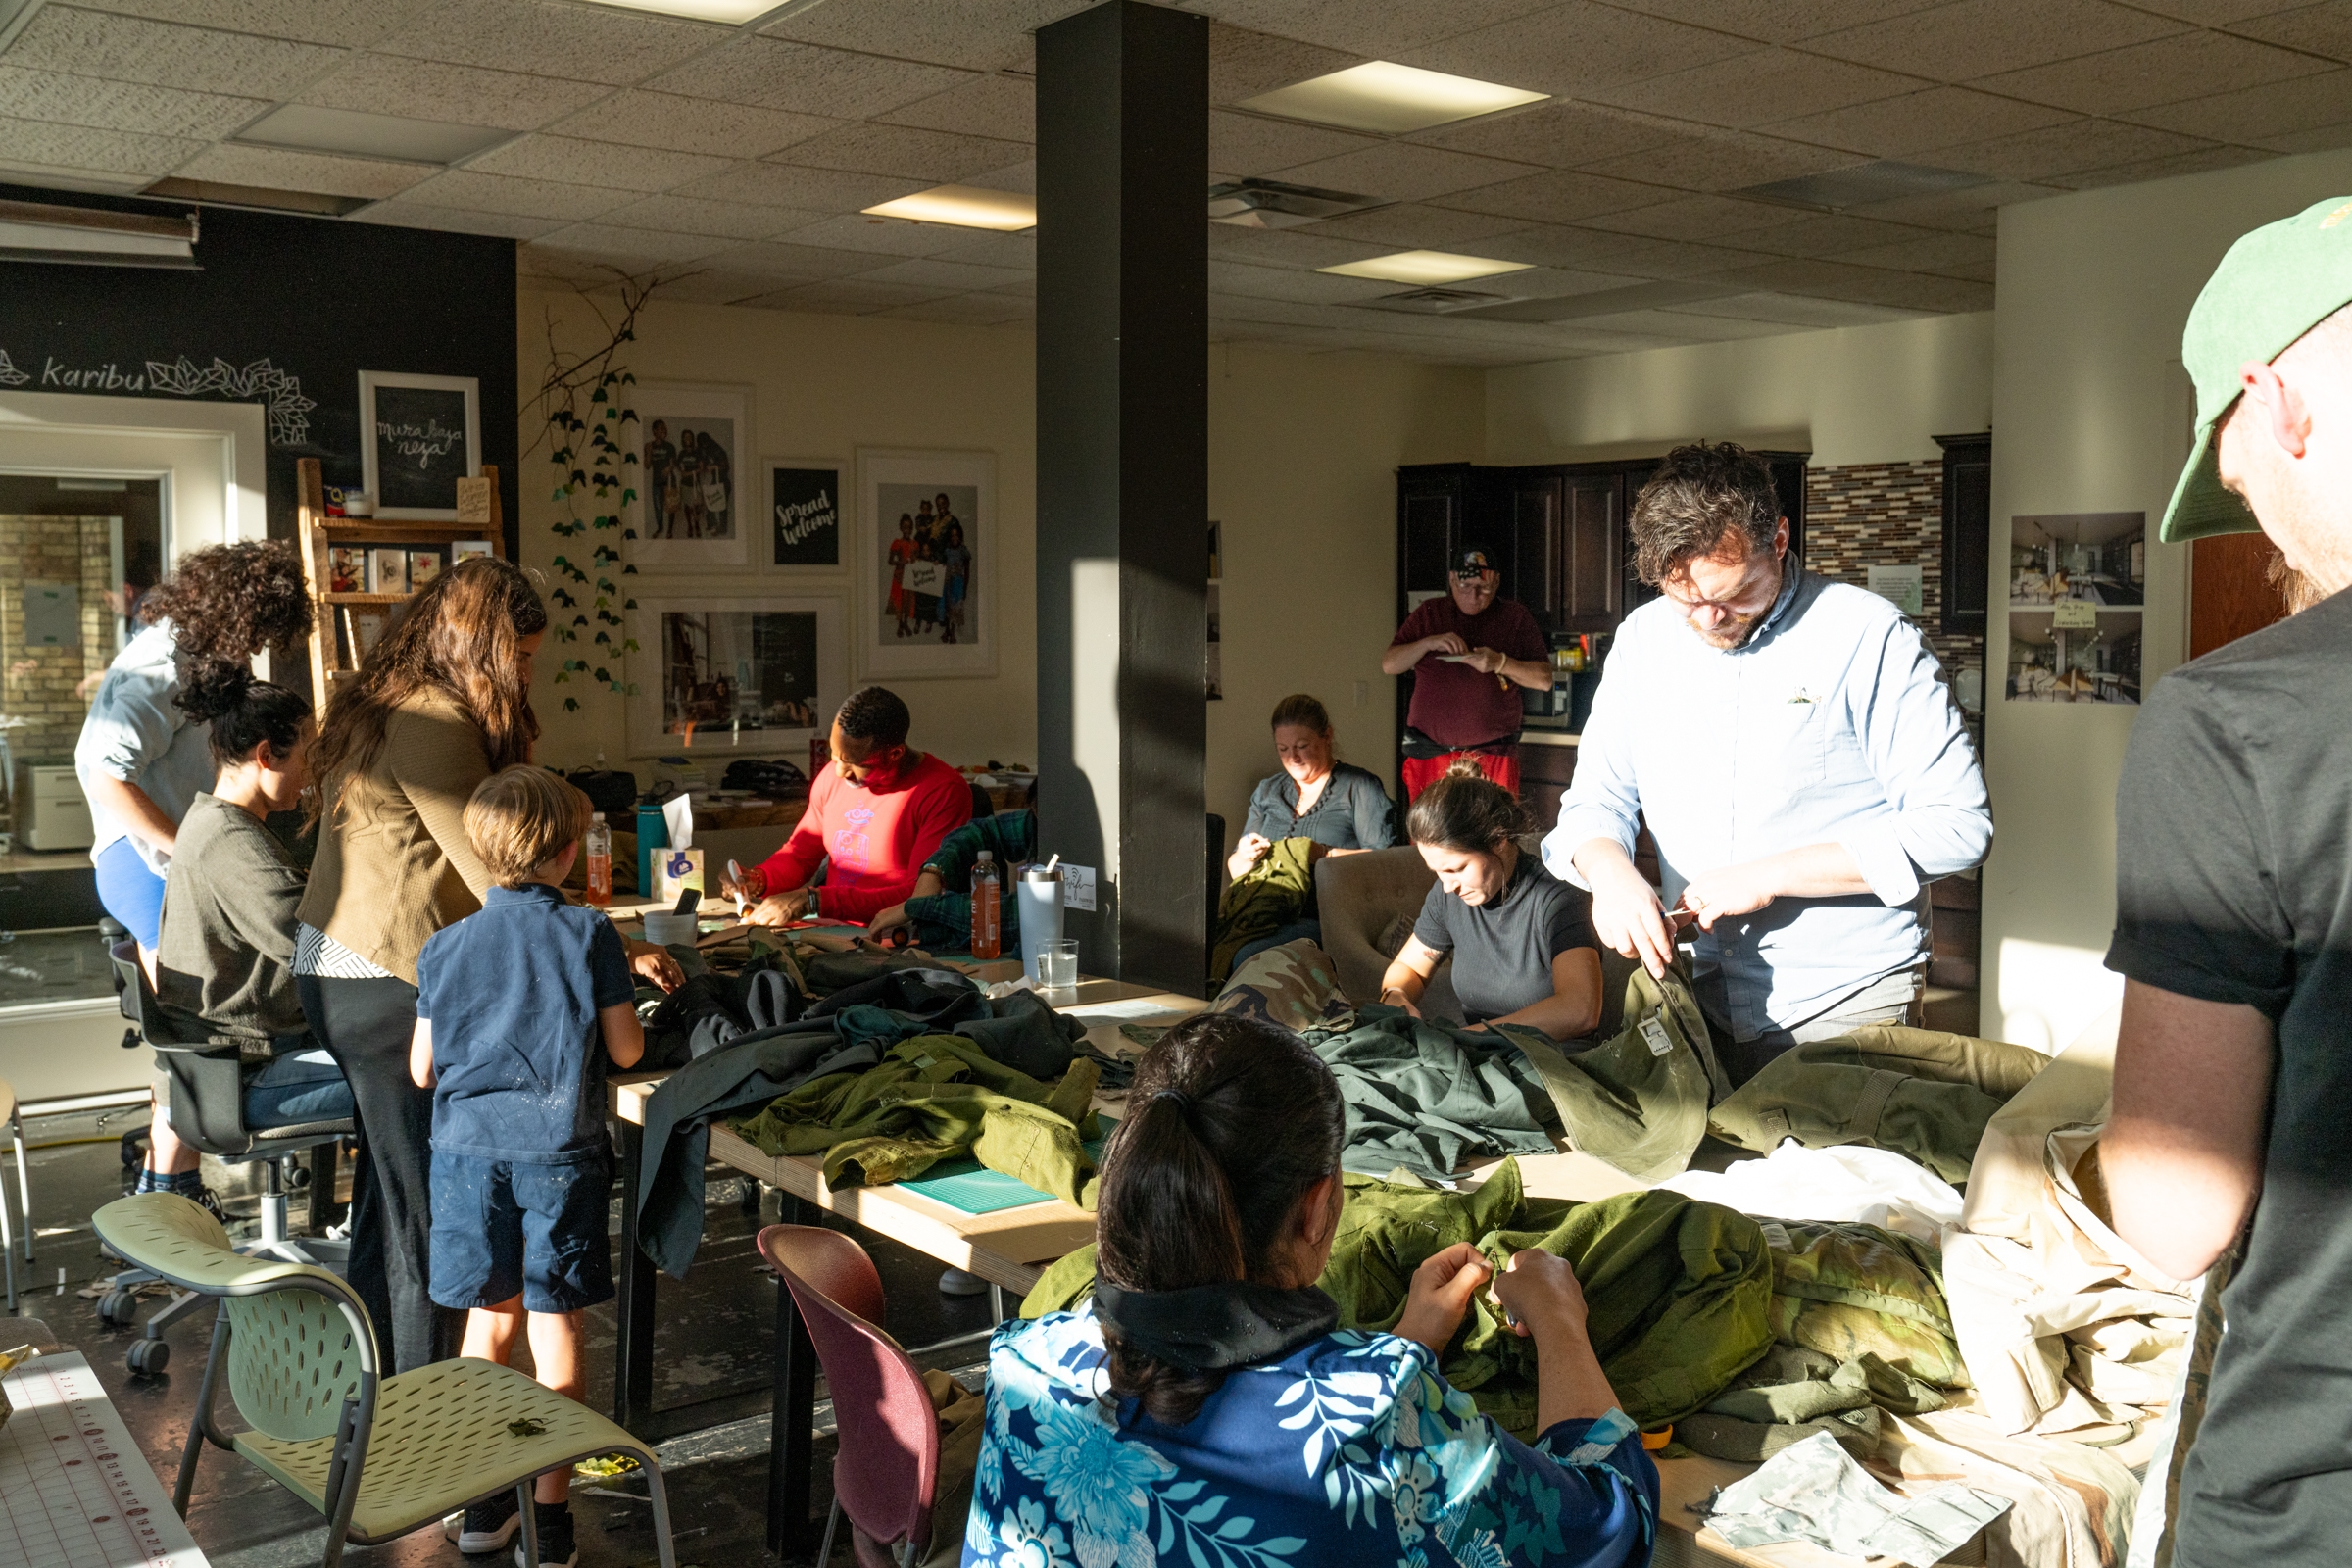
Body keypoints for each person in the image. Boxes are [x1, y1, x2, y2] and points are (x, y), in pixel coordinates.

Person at [966, 1011, 1657, 1568]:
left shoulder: (1023, 1364)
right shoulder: (1382, 1420)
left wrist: (1406, 1347)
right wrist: (1558, 1319)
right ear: (1319, 1207)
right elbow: (1609, 1530)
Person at [2101, 199, 2352, 1568]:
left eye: (2240, 485)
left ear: (2278, 401)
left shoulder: (2235, 722)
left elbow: (2175, 1214)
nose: (2268, 541)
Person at [297, 558, 680, 1374]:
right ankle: (421, 1415)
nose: (530, 674)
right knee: (426, 1220)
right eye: (525, 658)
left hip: (342, 972)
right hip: (380, 976)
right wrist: (624, 948)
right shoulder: (433, 721)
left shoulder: (393, 697)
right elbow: (500, 873)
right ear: (486, 648)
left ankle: (369, 1391)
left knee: (389, 1204)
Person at [1544, 442, 1990, 1087]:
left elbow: (1958, 826)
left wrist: (1771, 875)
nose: (1708, 620)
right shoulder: (1643, 640)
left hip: (1845, 999)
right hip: (1694, 996)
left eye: (1732, 595)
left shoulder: (1869, 637)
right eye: (1685, 600)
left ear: (1778, 540)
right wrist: (1609, 872)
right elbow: (1594, 801)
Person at [409, 766, 642, 1565]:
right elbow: (626, 1050)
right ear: (569, 850)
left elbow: (421, 1069)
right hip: (558, 1158)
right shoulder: (588, 933)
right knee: (556, 1327)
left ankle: (483, 1506)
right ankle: (549, 1520)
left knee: (489, 1323)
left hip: (465, 1161)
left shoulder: (444, 944)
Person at [74, 539, 315, 1203]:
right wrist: (186, 852)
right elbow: (103, 773)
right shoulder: (157, 668)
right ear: (236, 612)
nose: (259, 645)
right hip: (143, 863)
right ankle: (167, 1193)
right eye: (259, 630)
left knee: (197, 1033)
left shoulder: (205, 655)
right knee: (197, 1039)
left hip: (171, 860)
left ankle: (168, 1186)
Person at [146, 668, 354, 1177]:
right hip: (247, 1077)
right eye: (307, 756)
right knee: (416, 1074)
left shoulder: (214, 821)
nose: (311, 774)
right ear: (266, 756)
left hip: (228, 1068)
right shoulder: (230, 842)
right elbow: (315, 946)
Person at [1380, 759, 1602, 1039]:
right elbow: (1409, 967)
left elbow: (1580, 1010)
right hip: (1478, 1051)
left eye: (1457, 869)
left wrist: (1467, 1038)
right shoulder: (1448, 897)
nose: (1448, 886)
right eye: (1437, 872)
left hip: (1551, 1056)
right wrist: (1396, 995)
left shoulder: (1559, 899)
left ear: (1498, 839)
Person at [722, 686, 971, 927]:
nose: (840, 772)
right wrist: (757, 879)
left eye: (854, 764)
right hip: (832, 928)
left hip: (897, 934)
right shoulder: (832, 777)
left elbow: (920, 894)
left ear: (894, 753)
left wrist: (817, 901)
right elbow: (799, 857)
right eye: (834, 755)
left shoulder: (943, 791)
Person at [1222, 694, 1397, 970]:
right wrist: (1246, 854)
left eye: (1302, 746)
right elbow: (1237, 871)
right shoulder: (1268, 791)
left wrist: (1324, 855)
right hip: (1267, 913)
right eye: (1282, 749)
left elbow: (1386, 864)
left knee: (1249, 957)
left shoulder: (1359, 787)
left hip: (1328, 917)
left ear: (1327, 736)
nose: (1292, 757)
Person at [1382, 546, 1552, 801]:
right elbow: (1389, 665)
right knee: (1430, 825)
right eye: (1466, 586)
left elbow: (1544, 680)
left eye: (1483, 588)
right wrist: (1428, 643)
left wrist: (1499, 662)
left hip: (1493, 754)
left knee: (1494, 824)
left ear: (1496, 582)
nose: (1474, 596)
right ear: (1452, 580)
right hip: (1430, 753)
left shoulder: (1515, 617)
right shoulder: (1429, 613)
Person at [865, 808, 1035, 952]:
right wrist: (932, 872)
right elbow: (983, 832)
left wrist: (920, 907)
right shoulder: (1038, 818)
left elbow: (1024, 916)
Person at [644, 419, 676, 541]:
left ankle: (670, 530)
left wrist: (669, 468)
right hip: (656, 482)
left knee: (671, 506)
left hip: (669, 481)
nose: (664, 431)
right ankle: (660, 528)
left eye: (665, 428)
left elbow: (674, 463)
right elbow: (647, 466)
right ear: (654, 431)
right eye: (661, 428)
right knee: (658, 507)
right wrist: (648, 452)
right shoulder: (649, 446)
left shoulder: (670, 446)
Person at [941, 518, 971, 645]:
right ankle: (946, 630)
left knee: (955, 608)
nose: (954, 538)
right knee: (947, 607)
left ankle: (952, 632)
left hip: (958, 584)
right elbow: (942, 566)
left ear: (960, 536)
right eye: (952, 535)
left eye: (956, 535)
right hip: (947, 583)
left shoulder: (964, 551)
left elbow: (967, 571)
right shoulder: (947, 551)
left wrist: (965, 588)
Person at [889, 514, 918, 637]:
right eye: (905, 527)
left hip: (910, 576)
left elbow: (918, 561)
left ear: (912, 529)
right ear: (901, 528)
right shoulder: (897, 543)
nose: (907, 530)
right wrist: (901, 562)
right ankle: (900, 625)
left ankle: (905, 623)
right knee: (900, 600)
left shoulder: (915, 544)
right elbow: (890, 561)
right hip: (899, 575)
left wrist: (915, 561)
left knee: (908, 600)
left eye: (910, 528)